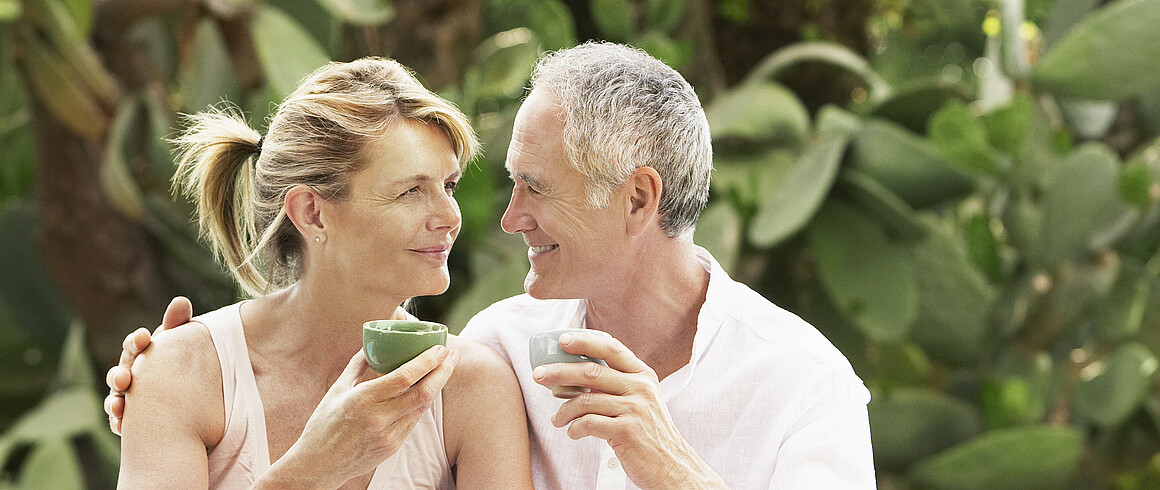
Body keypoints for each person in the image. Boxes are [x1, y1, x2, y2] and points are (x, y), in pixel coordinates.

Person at [108, 42, 875, 488]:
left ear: (638, 200)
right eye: (414, 190)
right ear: (313, 213)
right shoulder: (500, 346)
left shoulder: (805, 384)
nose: (489, 221)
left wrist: (670, 467)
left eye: (534, 188)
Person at [115, 57, 533, 488]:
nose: (449, 217)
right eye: (410, 191)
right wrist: (313, 469)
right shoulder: (182, 372)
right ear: (313, 214)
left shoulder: (472, 388)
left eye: (448, 186)